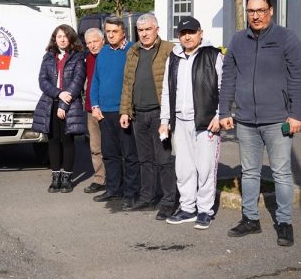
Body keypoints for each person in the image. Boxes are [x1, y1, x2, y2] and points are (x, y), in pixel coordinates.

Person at [219, 0, 301, 247]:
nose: (255, 16)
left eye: (260, 10)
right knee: (249, 172)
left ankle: (284, 223)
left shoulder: (286, 39)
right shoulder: (238, 41)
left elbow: (298, 77)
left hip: (278, 120)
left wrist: (296, 114)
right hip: (246, 120)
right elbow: (228, 78)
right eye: (251, 11)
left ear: (271, 11)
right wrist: (225, 111)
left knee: (281, 173)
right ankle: (250, 219)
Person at [158, 17, 223, 230]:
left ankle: (205, 210)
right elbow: (167, 90)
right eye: (183, 33)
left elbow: (223, 88)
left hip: (206, 121)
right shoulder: (174, 57)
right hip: (180, 121)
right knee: (184, 168)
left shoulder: (213, 55)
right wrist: (165, 120)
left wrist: (219, 115)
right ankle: (187, 208)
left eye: (191, 32)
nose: (187, 37)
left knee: (205, 168)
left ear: (200, 33)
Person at [119, 13, 175, 220]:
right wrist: (125, 111)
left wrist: (169, 116)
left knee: (164, 159)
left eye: (148, 29)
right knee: (144, 159)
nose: (144, 34)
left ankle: (169, 201)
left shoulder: (169, 49)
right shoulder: (133, 51)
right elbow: (127, 83)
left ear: (157, 29)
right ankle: (147, 197)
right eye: (140, 30)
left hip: (160, 114)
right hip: (138, 114)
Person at [90, 17, 140, 209]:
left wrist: (127, 109)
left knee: (129, 155)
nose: (110, 35)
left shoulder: (132, 50)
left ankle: (131, 192)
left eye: (114, 31)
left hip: (124, 111)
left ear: (123, 32)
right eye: (108, 31)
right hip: (104, 112)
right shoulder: (103, 52)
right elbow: (96, 80)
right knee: (109, 154)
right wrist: (95, 105)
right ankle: (113, 189)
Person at [32, 24, 86, 193]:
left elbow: (78, 82)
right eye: (59, 36)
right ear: (54, 39)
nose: (62, 39)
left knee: (68, 141)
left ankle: (67, 178)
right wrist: (58, 94)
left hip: (70, 104)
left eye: (65, 36)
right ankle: (55, 177)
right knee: (53, 140)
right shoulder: (48, 57)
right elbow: (43, 81)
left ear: (71, 38)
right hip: (50, 103)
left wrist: (63, 104)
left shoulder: (78, 57)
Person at [82, 28, 107, 194]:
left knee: (113, 147)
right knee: (95, 146)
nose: (92, 45)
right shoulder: (87, 58)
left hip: (109, 108)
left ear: (103, 41)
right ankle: (99, 178)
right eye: (89, 43)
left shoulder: (110, 55)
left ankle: (116, 179)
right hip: (91, 108)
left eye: (95, 41)